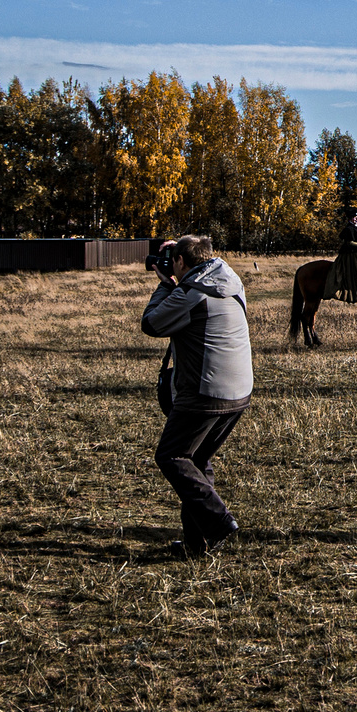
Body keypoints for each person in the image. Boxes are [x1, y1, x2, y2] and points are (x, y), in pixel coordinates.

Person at [142, 235, 254, 557]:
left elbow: (151, 323)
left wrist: (165, 284)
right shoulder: (232, 282)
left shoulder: (190, 294)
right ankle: (196, 545)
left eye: (173, 259)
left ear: (180, 262)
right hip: (240, 392)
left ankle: (218, 520)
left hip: (206, 393)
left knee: (172, 456)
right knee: (197, 460)